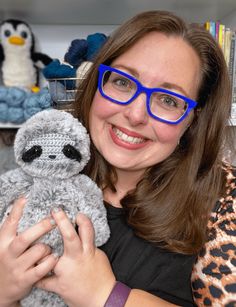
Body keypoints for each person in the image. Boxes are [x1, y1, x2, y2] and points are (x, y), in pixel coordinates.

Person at [0, 10, 235, 307]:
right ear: (98, 81)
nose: (135, 115)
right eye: (123, 82)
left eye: (168, 100)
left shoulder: (219, 204)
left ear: (192, 120)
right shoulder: (30, 180)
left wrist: (107, 296)